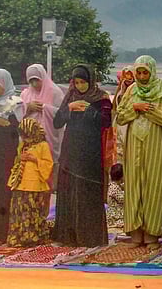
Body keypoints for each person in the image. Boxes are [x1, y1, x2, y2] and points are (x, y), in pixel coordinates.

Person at [117, 55, 162, 249]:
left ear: (152, 72)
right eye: (139, 73)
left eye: (145, 72)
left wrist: (151, 110)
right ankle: (136, 234)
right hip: (134, 145)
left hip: (155, 145)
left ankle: (152, 235)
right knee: (134, 186)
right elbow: (119, 117)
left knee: (153, 186)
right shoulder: (131, 90)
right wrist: (135, 108)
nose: (142, 76)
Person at [52, 64, 112, 247]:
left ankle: (89, 237)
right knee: (68, 191)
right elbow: (57, 122)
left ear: (90, 81)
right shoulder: (70, 95)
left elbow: (107, 121)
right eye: (76, 82)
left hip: (90, 153)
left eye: (83, 82)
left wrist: (88, 110)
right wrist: (69, 108)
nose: (80, 86)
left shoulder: (101, 98)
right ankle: (66, 237)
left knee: (86, 192)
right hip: (71, 151)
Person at [5, 117, 53, 247]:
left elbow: (48, 164)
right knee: (18, 210)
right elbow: (16, 161)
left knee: (32, 211)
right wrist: (20, 158)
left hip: (35, 185)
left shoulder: (43, 145)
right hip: (20, 184)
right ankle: (18, 238)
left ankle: (33, 238)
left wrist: (34, 159)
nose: (24, 139)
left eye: (26, 136)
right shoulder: (23, 145)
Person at [0, 69, 23, 242]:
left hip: (7, 155)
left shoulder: (15, 103)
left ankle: (3, 233)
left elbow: (19, 128)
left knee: (4, 191)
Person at [20, 64, 65, 190]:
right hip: (31, 140)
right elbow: (20, 117)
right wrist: (28, 108)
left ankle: (51, 188)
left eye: (37, 80)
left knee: (49, 162)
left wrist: (45, 108)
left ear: (43, 78)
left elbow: (62, 114)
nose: (34, 84)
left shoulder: (55, 92)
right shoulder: (26, 94)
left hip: (50, 137)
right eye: (31, 81)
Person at [113, 65, 135, 166]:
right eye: (125, 76)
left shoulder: (137, 91)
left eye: (130, 76)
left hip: (131, 125)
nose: (128, 79)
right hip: (119, 125)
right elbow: (114, 107)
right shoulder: (121, 90)